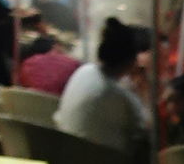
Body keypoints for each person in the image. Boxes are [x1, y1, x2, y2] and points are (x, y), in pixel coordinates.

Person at [55, 16, 150, 155]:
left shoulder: (83, 71)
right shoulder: (116, 94)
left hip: (65, 160)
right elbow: (145, 130)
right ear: (132, 60)